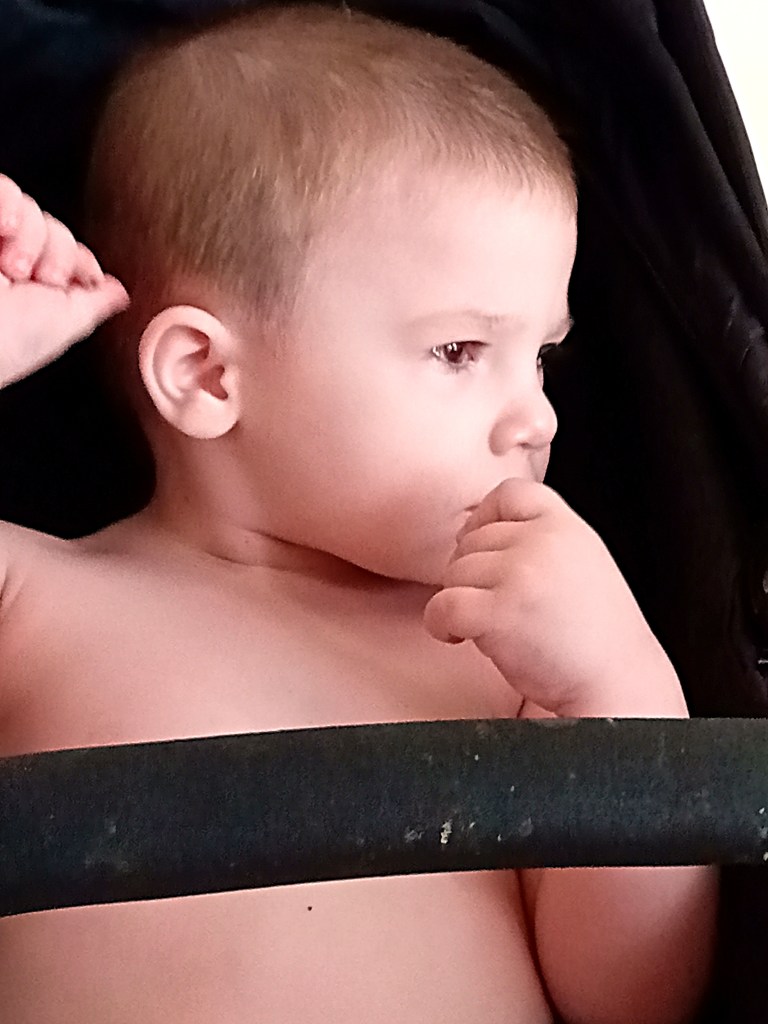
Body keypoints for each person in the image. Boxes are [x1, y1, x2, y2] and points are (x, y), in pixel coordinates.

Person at [0, 4, 716, 1023]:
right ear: (206, 374)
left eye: (544, 357)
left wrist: (624, 695)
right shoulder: (35, 605)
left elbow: (630, 999)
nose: (538, 417)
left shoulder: (503, 667)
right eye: (460, 351)